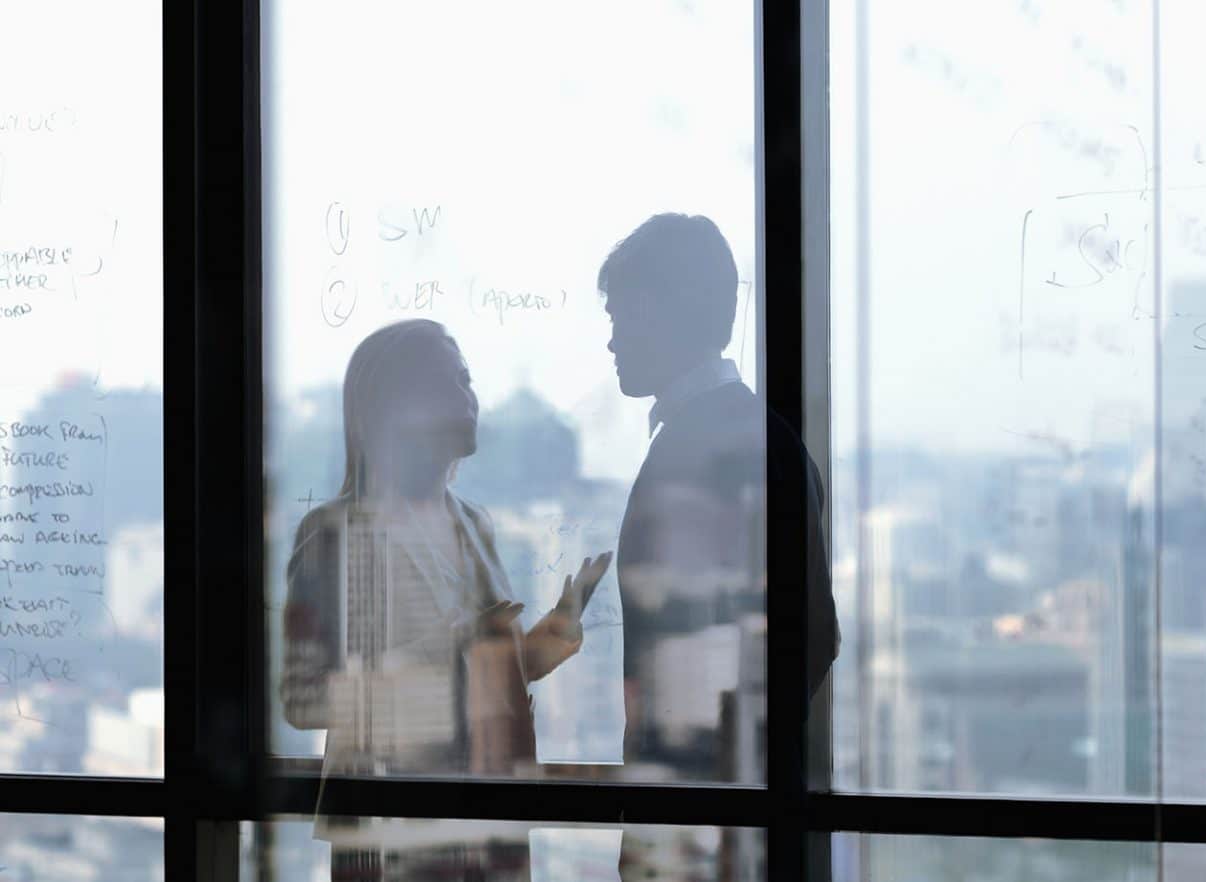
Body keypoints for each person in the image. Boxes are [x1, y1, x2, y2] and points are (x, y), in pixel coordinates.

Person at [280, 319, 611, 877]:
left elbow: (483, 678)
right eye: (450, 382)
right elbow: (302, 699)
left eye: (468, 379)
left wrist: (555, 630)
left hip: (490, 821)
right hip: (391, 835)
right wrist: (448, 676)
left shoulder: (475, 525)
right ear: (397, 407)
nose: (470, 397)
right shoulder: (335, 533)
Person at [600, 213, 838, 783]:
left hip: (699, 807)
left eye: (620, 316)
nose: (611, 341)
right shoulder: (769, 436)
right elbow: (815, 635)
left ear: (655, 312)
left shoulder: (700, 450)